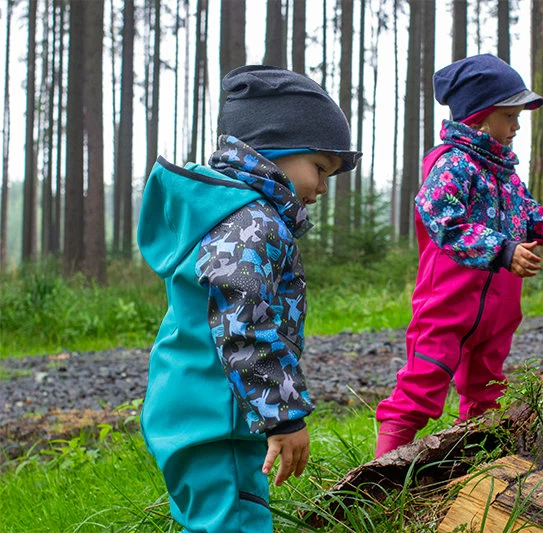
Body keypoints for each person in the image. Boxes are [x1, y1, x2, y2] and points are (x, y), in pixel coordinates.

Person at [137, 65, 361, 532]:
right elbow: (243, 326)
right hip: (217, 422)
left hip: (201, 411)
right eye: (320, 169)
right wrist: (283, 416)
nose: (322, 188)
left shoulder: (230, 213)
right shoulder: (250, 223)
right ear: (275, 152)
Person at [374, 54, 543, 458]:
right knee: (421, 386)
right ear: (480, 116)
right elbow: (442, 219)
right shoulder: (452, 164)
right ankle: (379, 474)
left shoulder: (506, 173)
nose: (516, 126)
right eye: (509, 116)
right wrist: (504, 250)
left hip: (499, 311)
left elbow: (531, 217)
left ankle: (470, 464)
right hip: (447, 305)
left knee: (486, 390)